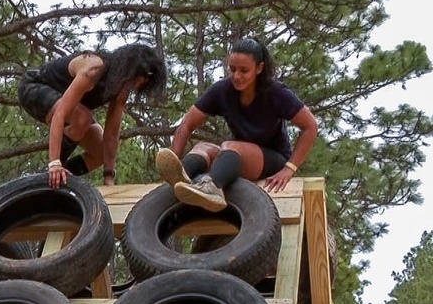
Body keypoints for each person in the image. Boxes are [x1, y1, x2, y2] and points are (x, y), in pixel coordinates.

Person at [155, 37, 318, 212]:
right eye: (232, 69)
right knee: (202, 147)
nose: (237, 76)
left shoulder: (277, 93)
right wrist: (173, 156)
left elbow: (310, 126)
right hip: (236, 155)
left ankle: (212, 188)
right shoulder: (222, 90)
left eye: (244, 70)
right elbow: (187, 123)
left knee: (230, 146)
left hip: (273, 159)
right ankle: (181, 176)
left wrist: (290, 168)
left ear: (259, 68)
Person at [17, 44, 166, 189]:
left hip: (71, 108)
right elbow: (60, 115)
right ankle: (53, 172)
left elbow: (112, 134)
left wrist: (109, 178)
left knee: (100, 152)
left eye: (138, 85)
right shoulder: (93, 69)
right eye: (134, 80)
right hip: (33, 87)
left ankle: (59, 179)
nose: (133, 86)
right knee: (81, 118)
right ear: (127, 70)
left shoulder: (121, 90)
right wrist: (55, 163)